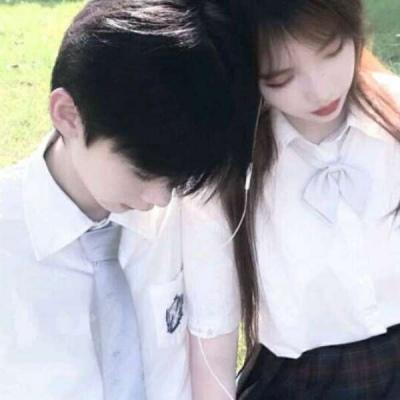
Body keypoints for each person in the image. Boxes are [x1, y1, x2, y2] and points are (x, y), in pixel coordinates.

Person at [0, 0, 257, 399]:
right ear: (67, 114)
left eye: (174, 180)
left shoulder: (189, 209)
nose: (160, 198)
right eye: (142, 172)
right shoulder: (9, 239)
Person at [183, 0, 400, 399]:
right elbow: (212, 347)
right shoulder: (227, 176)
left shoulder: (393, 118)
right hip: (302, 384)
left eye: (332, 51)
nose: (320, 89)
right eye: (282, 77)